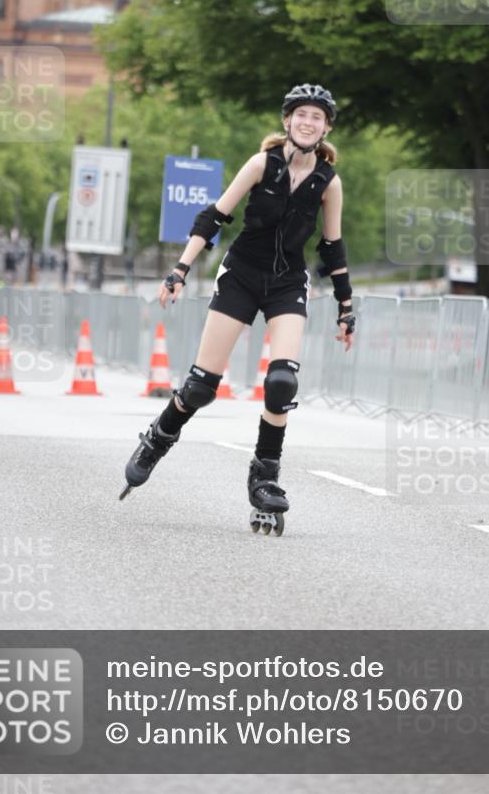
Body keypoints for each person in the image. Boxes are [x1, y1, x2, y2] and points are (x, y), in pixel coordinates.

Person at [119, 84, 356, 534]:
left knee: (282, 382)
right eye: (301, 114)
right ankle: (158, 437)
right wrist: (180, 269)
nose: (308, 122)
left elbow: (332, 247)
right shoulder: (261, 164)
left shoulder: (329, 182)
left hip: (287, 282)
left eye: (317, 117)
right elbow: (214, 216)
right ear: (287, 121)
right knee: (201, 387)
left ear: (326, 128)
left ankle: (264, 478)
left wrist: (346, 307)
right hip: (242, 276)